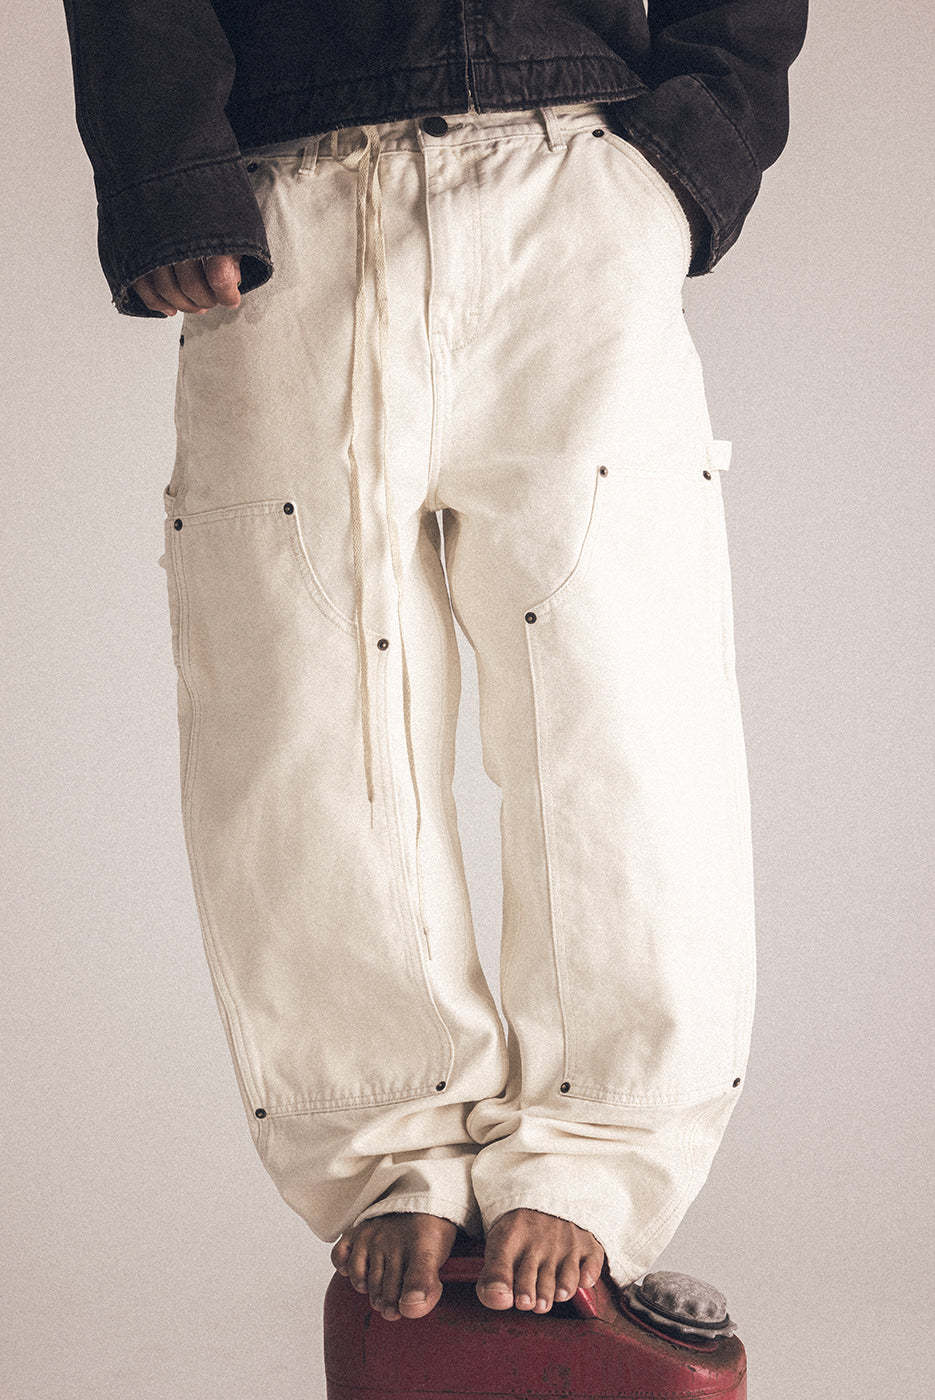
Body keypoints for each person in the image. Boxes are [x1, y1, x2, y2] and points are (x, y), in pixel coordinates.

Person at [62, 0, 808, 1328]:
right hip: (286, 198)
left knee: (625, 704)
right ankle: (385, 1139)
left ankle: (594, 1151)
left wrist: (703, 139)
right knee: (302, 711)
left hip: (572, 174)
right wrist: (168, 166)